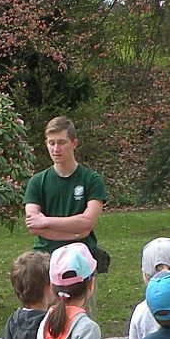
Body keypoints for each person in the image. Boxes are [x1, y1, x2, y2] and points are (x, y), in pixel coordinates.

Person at [24, 116, 109, 275]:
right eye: (52, 143)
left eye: (62, 142)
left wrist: (46, 221)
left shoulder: (92, 180)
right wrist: (76, 233)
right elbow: (34, 226)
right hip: (45, 256)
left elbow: (87, 222)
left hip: (81, 256)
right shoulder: (37, 182)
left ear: (74, 143)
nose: (56, 149)